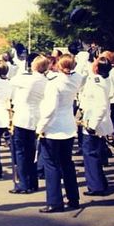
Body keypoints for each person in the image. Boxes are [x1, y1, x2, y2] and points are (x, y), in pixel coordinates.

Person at [36, 54, 84, 213]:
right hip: (68, 126)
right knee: (67, 163)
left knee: (52, 165)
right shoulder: (76, 78)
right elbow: (75, 74)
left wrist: (40, 127)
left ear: (58, 65)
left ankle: (55, 202)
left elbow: (50, 109)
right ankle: (73, 198)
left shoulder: (54, 83)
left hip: (54, 127)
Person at [10, 55, 50, 193]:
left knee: (20, 153)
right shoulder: (46, 80)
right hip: (35, 117)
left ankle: (23, 184)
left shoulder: (29, 79)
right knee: (31, 152)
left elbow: (13, 79)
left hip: (22, 118)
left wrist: (22, 68)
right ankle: (33, 182)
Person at [80, 56, 113, 196]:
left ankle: (96, 186)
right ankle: (100, 182)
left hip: (94, 123)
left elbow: (101, 106)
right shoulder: (102, 79)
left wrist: (92, 125)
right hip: (95, 121)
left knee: (90, 155)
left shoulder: (96, 82)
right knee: (95, 155)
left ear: (97, 68)